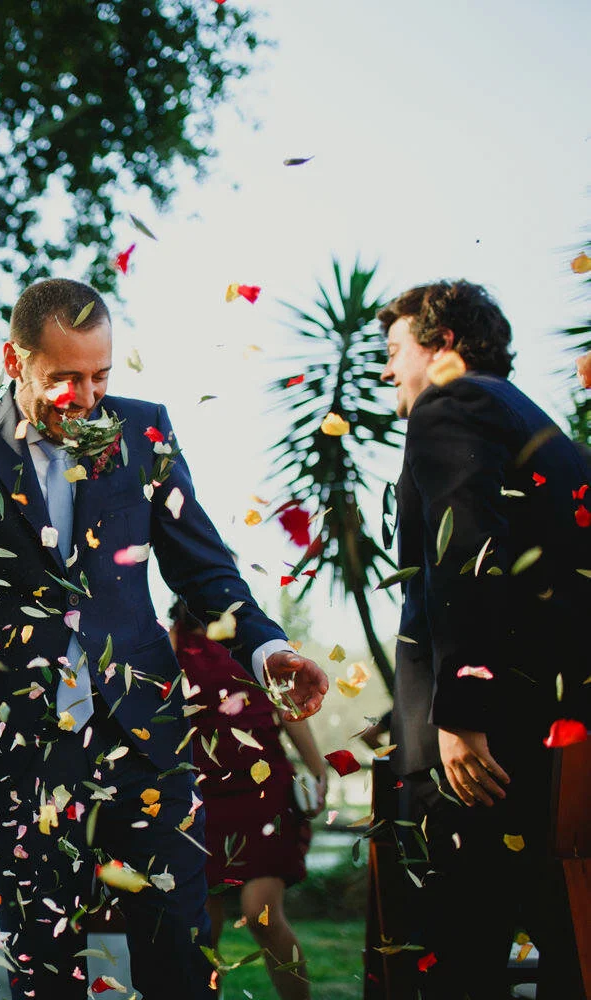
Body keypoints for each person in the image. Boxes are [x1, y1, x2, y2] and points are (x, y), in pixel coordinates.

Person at [0, 278, 329, 999]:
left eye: (100, 375)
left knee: (179, 955)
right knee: (39, 964)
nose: (86, 396)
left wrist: (266, 650)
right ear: (15, 360)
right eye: (64, 377)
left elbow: (205, 568)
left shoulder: (143, 430)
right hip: (18, 744)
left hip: (143, 738)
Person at [379, 280, 589, 998]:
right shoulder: (538, 425)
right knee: (562, 946)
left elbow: (466, 548)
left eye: (395, 351)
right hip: (548, 738)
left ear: (442, 347)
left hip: (483, 752)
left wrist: (462, 713)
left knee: (455, 959)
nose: (387, 371)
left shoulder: (452, 402)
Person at [170, 601, 327, 1000]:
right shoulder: (173, 642)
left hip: (263, 786)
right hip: (204, 793)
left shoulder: (254, 641)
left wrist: (318, 769)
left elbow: (285, 704)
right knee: (205, 923)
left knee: (263, 912)